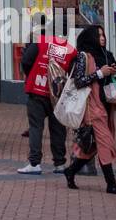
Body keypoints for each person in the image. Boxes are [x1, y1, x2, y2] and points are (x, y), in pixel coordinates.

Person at [63, 25, 116, 195]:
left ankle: (70, 171)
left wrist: (112, 71)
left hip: (107, 105)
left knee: (93, 146)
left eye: (103, 35)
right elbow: (78, 81)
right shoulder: (83, 56)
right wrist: (100, 73)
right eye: (98, 35)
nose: (102, 38)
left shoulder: (106, 55)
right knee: (105, 142)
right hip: (92, 107)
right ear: (90, 37)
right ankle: (111, 184)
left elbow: (107, 78)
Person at [16, 33, 75, 176]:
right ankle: (60, 163)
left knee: (36, 127)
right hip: (57, 95)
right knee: (58, 129)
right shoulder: (71, 49)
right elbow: (73, 73)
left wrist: (31, 75)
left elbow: (26, 61)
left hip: (37, 90)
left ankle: (34, 163)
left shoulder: (40, 42)